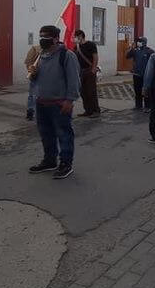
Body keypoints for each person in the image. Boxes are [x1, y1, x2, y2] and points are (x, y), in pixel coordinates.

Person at [29, 25, 81, 179]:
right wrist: (33, 74)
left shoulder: (67, 55)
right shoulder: (41, 56)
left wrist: (70, 100)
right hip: (42, 102)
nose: (43, 40)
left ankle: (66, 163)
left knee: (64, 134)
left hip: (59, 104)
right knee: (46, 134)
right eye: (41, 37)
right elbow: (36, 80)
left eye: (46, 37)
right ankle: (49, 160)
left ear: (56, 38)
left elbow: (74, 80)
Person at [74, 29, 100, 118]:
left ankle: (96, 110)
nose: (75, 39)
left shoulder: (90, 45)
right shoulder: (76, 47)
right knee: (83, 92)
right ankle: (88, 110)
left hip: (89, 70)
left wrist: (93, 69)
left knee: (91, 91)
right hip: (80, 71)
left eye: (76, 37)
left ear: (81, 36)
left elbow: (95, 57)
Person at [127, 37, 154, 112]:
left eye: (140, 41)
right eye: (138, 41)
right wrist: (131, 48)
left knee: (146, 91)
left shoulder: (150, 51)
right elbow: (127, 56)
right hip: (136, 74)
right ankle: (138, 105)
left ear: (144, 42)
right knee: (137, 91)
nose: (138, 42)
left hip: (146, 75)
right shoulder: (135, 51)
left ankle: (148, 106)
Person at [24, 43, 42, 120]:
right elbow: (28, 62)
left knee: (33, 94)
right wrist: (31, 70)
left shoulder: (35, 49)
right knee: (33, 94)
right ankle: (31, 111)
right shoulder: (35, 49)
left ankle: (31, 111)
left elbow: (27, 61)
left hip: (37, 74)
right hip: (36, 75)